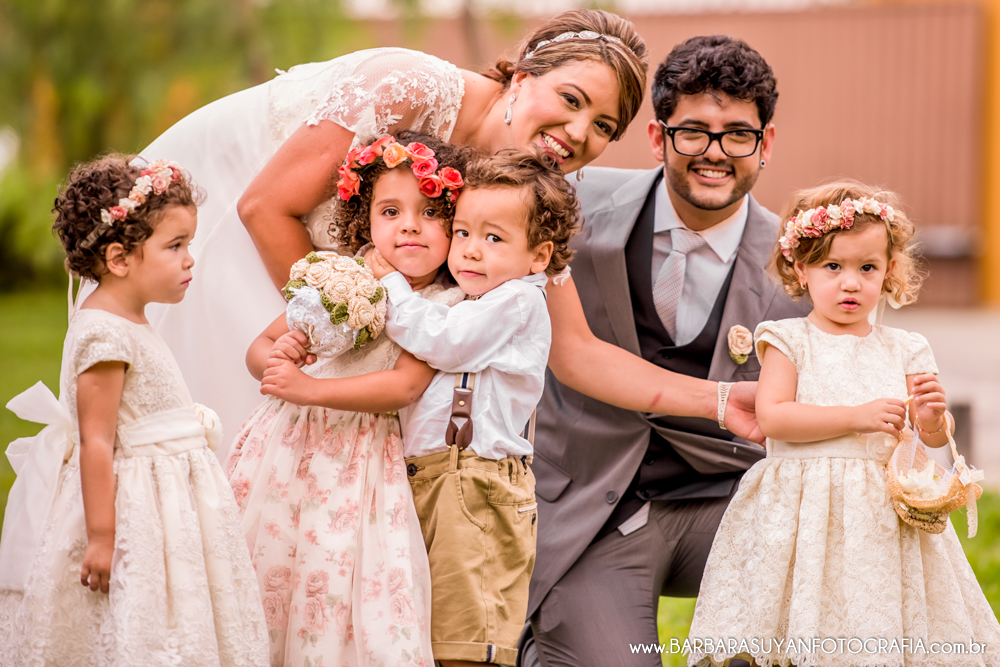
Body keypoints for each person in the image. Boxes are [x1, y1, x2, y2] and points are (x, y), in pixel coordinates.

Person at [133, 9, 649, 450]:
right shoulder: (409, 87)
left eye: (604, 126)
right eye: (572, 100)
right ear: (520, 80)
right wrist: (346, 321)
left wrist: (717, 400)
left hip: (335, 268)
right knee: (204, 427)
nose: (580, 132)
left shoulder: (521, 191)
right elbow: (264, 206)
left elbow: (576, 352)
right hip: (217, 223)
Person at [518, 36, 812, 667]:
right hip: (593, 504)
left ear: (766, 144)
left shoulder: (804, 268)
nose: (715, 153)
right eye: (693, 132)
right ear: (657, 137)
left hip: (732, 506)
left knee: (810, 626)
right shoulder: (565, 206)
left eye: (738, 134)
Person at [686, 180, 1000, 666]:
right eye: (833, 266)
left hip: (879, 522)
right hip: (801, 512)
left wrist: (934, 423)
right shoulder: (789, 340)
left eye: (867, 268)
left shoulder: (906, 349)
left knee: (871, 622)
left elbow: (929, 452)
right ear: (801, 268)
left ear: (889, 271)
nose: (851, 283)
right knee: (797, 627)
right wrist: (857, 417)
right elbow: (773, 416)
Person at [0, 156, 268, 666]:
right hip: (134, 504)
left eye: (189, 244)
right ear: (120, 258)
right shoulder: (104, 332)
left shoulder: (130, 319)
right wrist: (103, 536)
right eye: (175, 246)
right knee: (140, 616)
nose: (191, 259)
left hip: (167, 497)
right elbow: (96, 439)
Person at [225, 133, 474, 666]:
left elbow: (404, 385)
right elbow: (261, 345)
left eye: (431, 211)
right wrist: (283, 355)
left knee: (334, 570)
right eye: (391, 210)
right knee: (268, 563)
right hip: (285, 448)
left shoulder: (445, 303)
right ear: (367, 223)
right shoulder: (343, 275)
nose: (410, 225)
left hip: (358, 460)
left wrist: (313, 389)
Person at [365, 149, 578, 667]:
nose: (471, 252)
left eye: (494, 238)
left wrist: (388, 282)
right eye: (462, 233)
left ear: (539, 257)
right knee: (425, 630)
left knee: (467, 636)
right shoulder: (470, 298)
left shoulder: (519, 302)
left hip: (477, 484)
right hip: (433, 476)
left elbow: (445, 342)